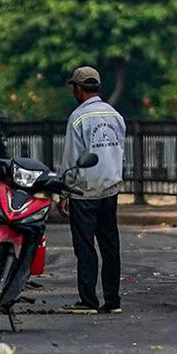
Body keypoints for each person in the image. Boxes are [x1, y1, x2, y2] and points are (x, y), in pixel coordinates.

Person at [62, 66, 127, 315]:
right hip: (110, 189)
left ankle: (88, 300)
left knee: (85, 247)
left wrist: (64, 192)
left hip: (84, 191)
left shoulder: (78, 118)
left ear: (79, 89)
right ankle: (112, 300)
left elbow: (71, 159)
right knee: (110, 245)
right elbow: (120, 152)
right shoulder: (116, 116)